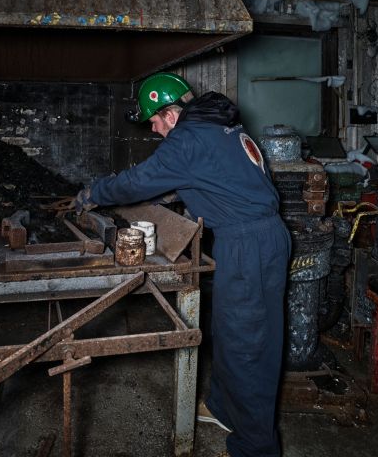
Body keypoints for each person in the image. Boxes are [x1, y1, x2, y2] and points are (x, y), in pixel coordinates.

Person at [75, 72, 291, 457]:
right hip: (259, 238)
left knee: (248, 345)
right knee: (231, 329)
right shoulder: (222, 128)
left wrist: (96, 191)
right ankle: (225, 408)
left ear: (170, 113)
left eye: (155, 121)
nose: (155, 130)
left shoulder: (187, 140)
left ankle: (256, 446)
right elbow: (225, 177)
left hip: (247, 244)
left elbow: (135, 182)